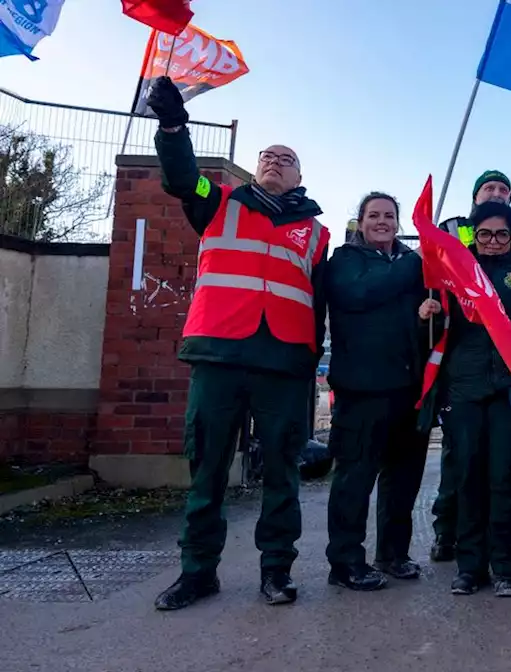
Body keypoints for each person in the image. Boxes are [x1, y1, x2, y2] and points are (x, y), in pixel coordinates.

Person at [145, 76, 329, 611]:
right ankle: (197, 572)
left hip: (284, 360)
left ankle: (276, 571)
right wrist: (174, 127)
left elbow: (320, 301)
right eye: (267, 155)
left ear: (299, 174)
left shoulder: (317, 233)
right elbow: (182, 178)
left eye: (286, 158)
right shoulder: (217, 200)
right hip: (220, 353)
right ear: (255, 166)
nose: (274, 161)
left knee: (282, 471)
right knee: (207, 467)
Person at [431, 169, 511, 563]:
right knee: (461, 470)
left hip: (508, 381)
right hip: (465, 379)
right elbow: (433, 286)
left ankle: (506, 550)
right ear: (475, 196)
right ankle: (453, 539)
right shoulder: (451, 235)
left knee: (505, 472)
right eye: (488, 188)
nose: (496, 193)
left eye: (502, 189)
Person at [323, 192, 432, 591]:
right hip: (362, 389)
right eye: (374, 215)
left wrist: (425, 317)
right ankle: (346, 561)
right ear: (362, 221)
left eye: (389, 215)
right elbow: (362, 294)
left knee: (402, 480)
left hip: (407, 388)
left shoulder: (409, 264)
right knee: (355, 478)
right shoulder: (346, 260)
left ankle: (393, 553)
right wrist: (417, 265)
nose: (382, 222)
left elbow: (418, 326)